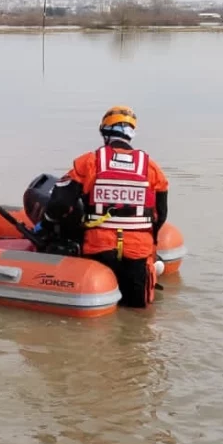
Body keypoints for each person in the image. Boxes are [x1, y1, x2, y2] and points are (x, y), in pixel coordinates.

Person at [37, 105, 169, 308]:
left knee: (98, 305)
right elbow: (161, 214)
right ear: (132, 134)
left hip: (100, 246)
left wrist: (46, 224)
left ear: (104, 132)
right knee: (137, 311)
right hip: (138, 250)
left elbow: (60, 204)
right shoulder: (152, 168)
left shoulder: (90, 162)